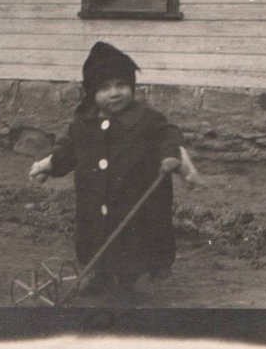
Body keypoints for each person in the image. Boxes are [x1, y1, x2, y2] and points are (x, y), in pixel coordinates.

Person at [29, 42, 184, 299]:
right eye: (104, 88)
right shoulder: (84, 123)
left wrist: (170, 155)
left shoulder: (146, 119)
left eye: (121, 85)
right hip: (94, 198)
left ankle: (125, 284)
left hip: (133, 198)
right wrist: (49, 166)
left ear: (132, 87)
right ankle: (99, 276)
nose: (114, 93)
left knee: (129, 241)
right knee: (96, 238)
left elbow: (169, 134)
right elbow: (69, 151)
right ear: (91, 93)